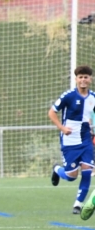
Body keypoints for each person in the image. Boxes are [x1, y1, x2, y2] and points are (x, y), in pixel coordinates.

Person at [48, 65, 95, 216]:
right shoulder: (68, 96)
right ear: (76, 79)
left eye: (86, 77)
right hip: (70, 141)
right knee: (71, 176)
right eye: (80, 77)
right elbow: (52, 112)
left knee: (87, 171)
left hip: (86, 140)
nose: (83, 80)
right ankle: (56, 169)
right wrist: (62, 128)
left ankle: (78, 204)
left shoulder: (93, 97)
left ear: (90, 79)